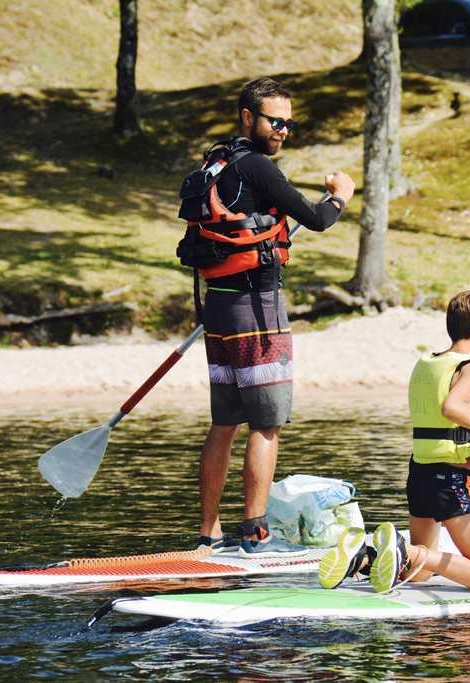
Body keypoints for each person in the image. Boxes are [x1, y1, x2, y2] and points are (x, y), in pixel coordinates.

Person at [195, 77, 355, 557]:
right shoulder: (259, 168)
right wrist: (340, 194)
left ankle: (209, 533)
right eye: (274, 120)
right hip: (258, 313)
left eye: (288, 122)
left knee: (224, 423)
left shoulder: (214, 166)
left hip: (218, 308)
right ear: (248, 117)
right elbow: (319, 218)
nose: (283, 129)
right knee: (266, 425)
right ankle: (255, 535)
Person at [319, 291, 470, 592]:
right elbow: (452, 407)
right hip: (451, 479)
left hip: (420, 474)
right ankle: (407, 550)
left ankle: (364, 557)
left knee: (419, 573)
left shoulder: (431, 362)